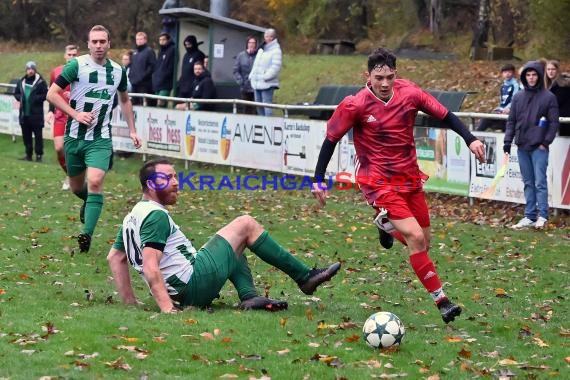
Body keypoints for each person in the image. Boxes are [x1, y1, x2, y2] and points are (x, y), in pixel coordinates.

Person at [310, 47, 486, 324]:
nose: (384, 83)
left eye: (389, 77)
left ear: (396, 75)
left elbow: (445, 115)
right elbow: (331, 139)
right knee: (415, 238)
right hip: (376, 180)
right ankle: (442, 302)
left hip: (409, 177)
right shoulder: (355, 105)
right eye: (378, 78)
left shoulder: (410, 93)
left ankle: (386, 226)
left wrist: (470, 138)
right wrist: (318, 179)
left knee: (424, 243)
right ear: (367, 76)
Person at [107, 158, 341, 313]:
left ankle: (249, 296)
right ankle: (305, 277)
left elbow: (115, 258)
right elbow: (150, 266)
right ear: (151, 184)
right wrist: (168, 309)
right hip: (191, 287)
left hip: (183, 289)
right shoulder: (155, 216)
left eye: (175, 176)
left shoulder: (133, 216)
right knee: (245, 224)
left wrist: (129, 301)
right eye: (167, 178)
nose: (176, 183)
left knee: (232, 242)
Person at [46, 24, 142, 253]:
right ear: (88, 44)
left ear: (109, 44)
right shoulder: (76, 65)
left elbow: (125, 100)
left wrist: (132, 130)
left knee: (96, 181)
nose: (99, 45)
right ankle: (88, 202)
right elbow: (52, 94)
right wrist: (76, 114)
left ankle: (86, 236)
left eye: (103, 41)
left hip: (100, 138)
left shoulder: (118, 71)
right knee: (76, 186)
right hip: (73, 137)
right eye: (94, 42)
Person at [504, 61, 559, 230]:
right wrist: (507, 142)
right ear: (524, 77)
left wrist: (545, 142)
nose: (531, 78)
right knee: (528, 182)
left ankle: (542, 215)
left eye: (534, 74)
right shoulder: (518, 96)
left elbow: (553, 122)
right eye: (528, 75)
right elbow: (511, 121)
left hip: (539, 147)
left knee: (540, 182)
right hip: (522, 145)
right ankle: (529, 215)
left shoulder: (548, 97)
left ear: (539, 76)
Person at [46, 45, 79, 189]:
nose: (72, 57)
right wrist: (50, 111)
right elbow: (52, 93)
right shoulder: (56, 72)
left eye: (74, 54)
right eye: (69, 55)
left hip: (77, 116)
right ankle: (70, 175)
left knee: (74, 150)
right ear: (65, 56)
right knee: (59, 148)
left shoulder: (83, 71)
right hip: (60, 116)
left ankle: (75, 177)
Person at [13, 61, 48, 162]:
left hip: (36, 115)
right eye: (28, 69)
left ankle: (39, 155)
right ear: (26, 70)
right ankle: (28, 155)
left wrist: (35, 98)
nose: (30, 71)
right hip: (24, 114)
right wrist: (21, 98)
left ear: (35, 70)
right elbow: (16, 93)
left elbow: (46, 94)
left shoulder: (41, 82)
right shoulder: (21, 81)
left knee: (38, 137)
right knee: (26, 136)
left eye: (32, 69)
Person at [476, 63, 520, 132]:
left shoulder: (516, 85)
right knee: (485, 119)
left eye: (509, 72)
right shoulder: (503, 86)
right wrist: (499, 109)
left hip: (511, 113)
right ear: (502, 74)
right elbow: (502, 101)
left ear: (513, 73)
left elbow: (515, 100)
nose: (507, 74)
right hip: (502, 112)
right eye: (505, 72)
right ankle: (476, 136)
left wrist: (508, 108)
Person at [249, 28, 282, 116]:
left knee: (267, 105)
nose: (267, 38)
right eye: (266, 36)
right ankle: (261, 123)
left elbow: (275, 66)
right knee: (258, 105)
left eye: (269, 36)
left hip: (267, 83)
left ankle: (268, 124)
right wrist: (252, 75)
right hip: (256, 82)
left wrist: (266, 77)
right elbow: (256, 64)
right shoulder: (261, 49)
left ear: (272, 37)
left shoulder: (276, 51)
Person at [129, 31, 156, 106]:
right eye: (137, 39)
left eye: (141, 39)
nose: (139, 41)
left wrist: (142, 77)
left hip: (144, 85)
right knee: (134, 104)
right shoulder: (134, 52)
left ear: (145, 40)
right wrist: (131, 77)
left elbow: (152, 67)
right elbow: (131, 66)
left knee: (143, 104)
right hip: (134, 84)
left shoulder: (149, 51)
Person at [544, 59, 570, 136]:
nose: (550, 72)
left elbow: (555, 102)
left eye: (553, 69)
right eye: (548, 69)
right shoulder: (547, 85)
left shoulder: (563, 85)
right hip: (553, 119)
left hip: (564, 121)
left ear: (557, 70)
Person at [233, 36, 258, 114]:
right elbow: (236, 70)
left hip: (256, 87)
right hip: (244, 87)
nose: (252, 45)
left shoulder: (259, 55)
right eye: (250, 43)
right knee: (246, 108)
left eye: (253, 43)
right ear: (247, 44)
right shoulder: (241, 55)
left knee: (256, 108)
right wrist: (240, 81)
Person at [176, 35, 205, 99]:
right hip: (183, 86)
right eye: (186, 45)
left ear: (193, 44)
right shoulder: (186, 55)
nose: (187, 47)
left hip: (192, 87)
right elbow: (184, 71)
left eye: (189, 44)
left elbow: (199, 71)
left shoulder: (199, 55)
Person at [152, 32, 175, 108]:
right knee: (157, 105)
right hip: (157, 82)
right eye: (160, 40)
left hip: (165, 83)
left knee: (161, 104)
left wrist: (164, 76)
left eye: (163, 39)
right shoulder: (160, 51)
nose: (161, 41)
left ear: (168, 40)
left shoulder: (172, 50)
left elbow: (171, 67)